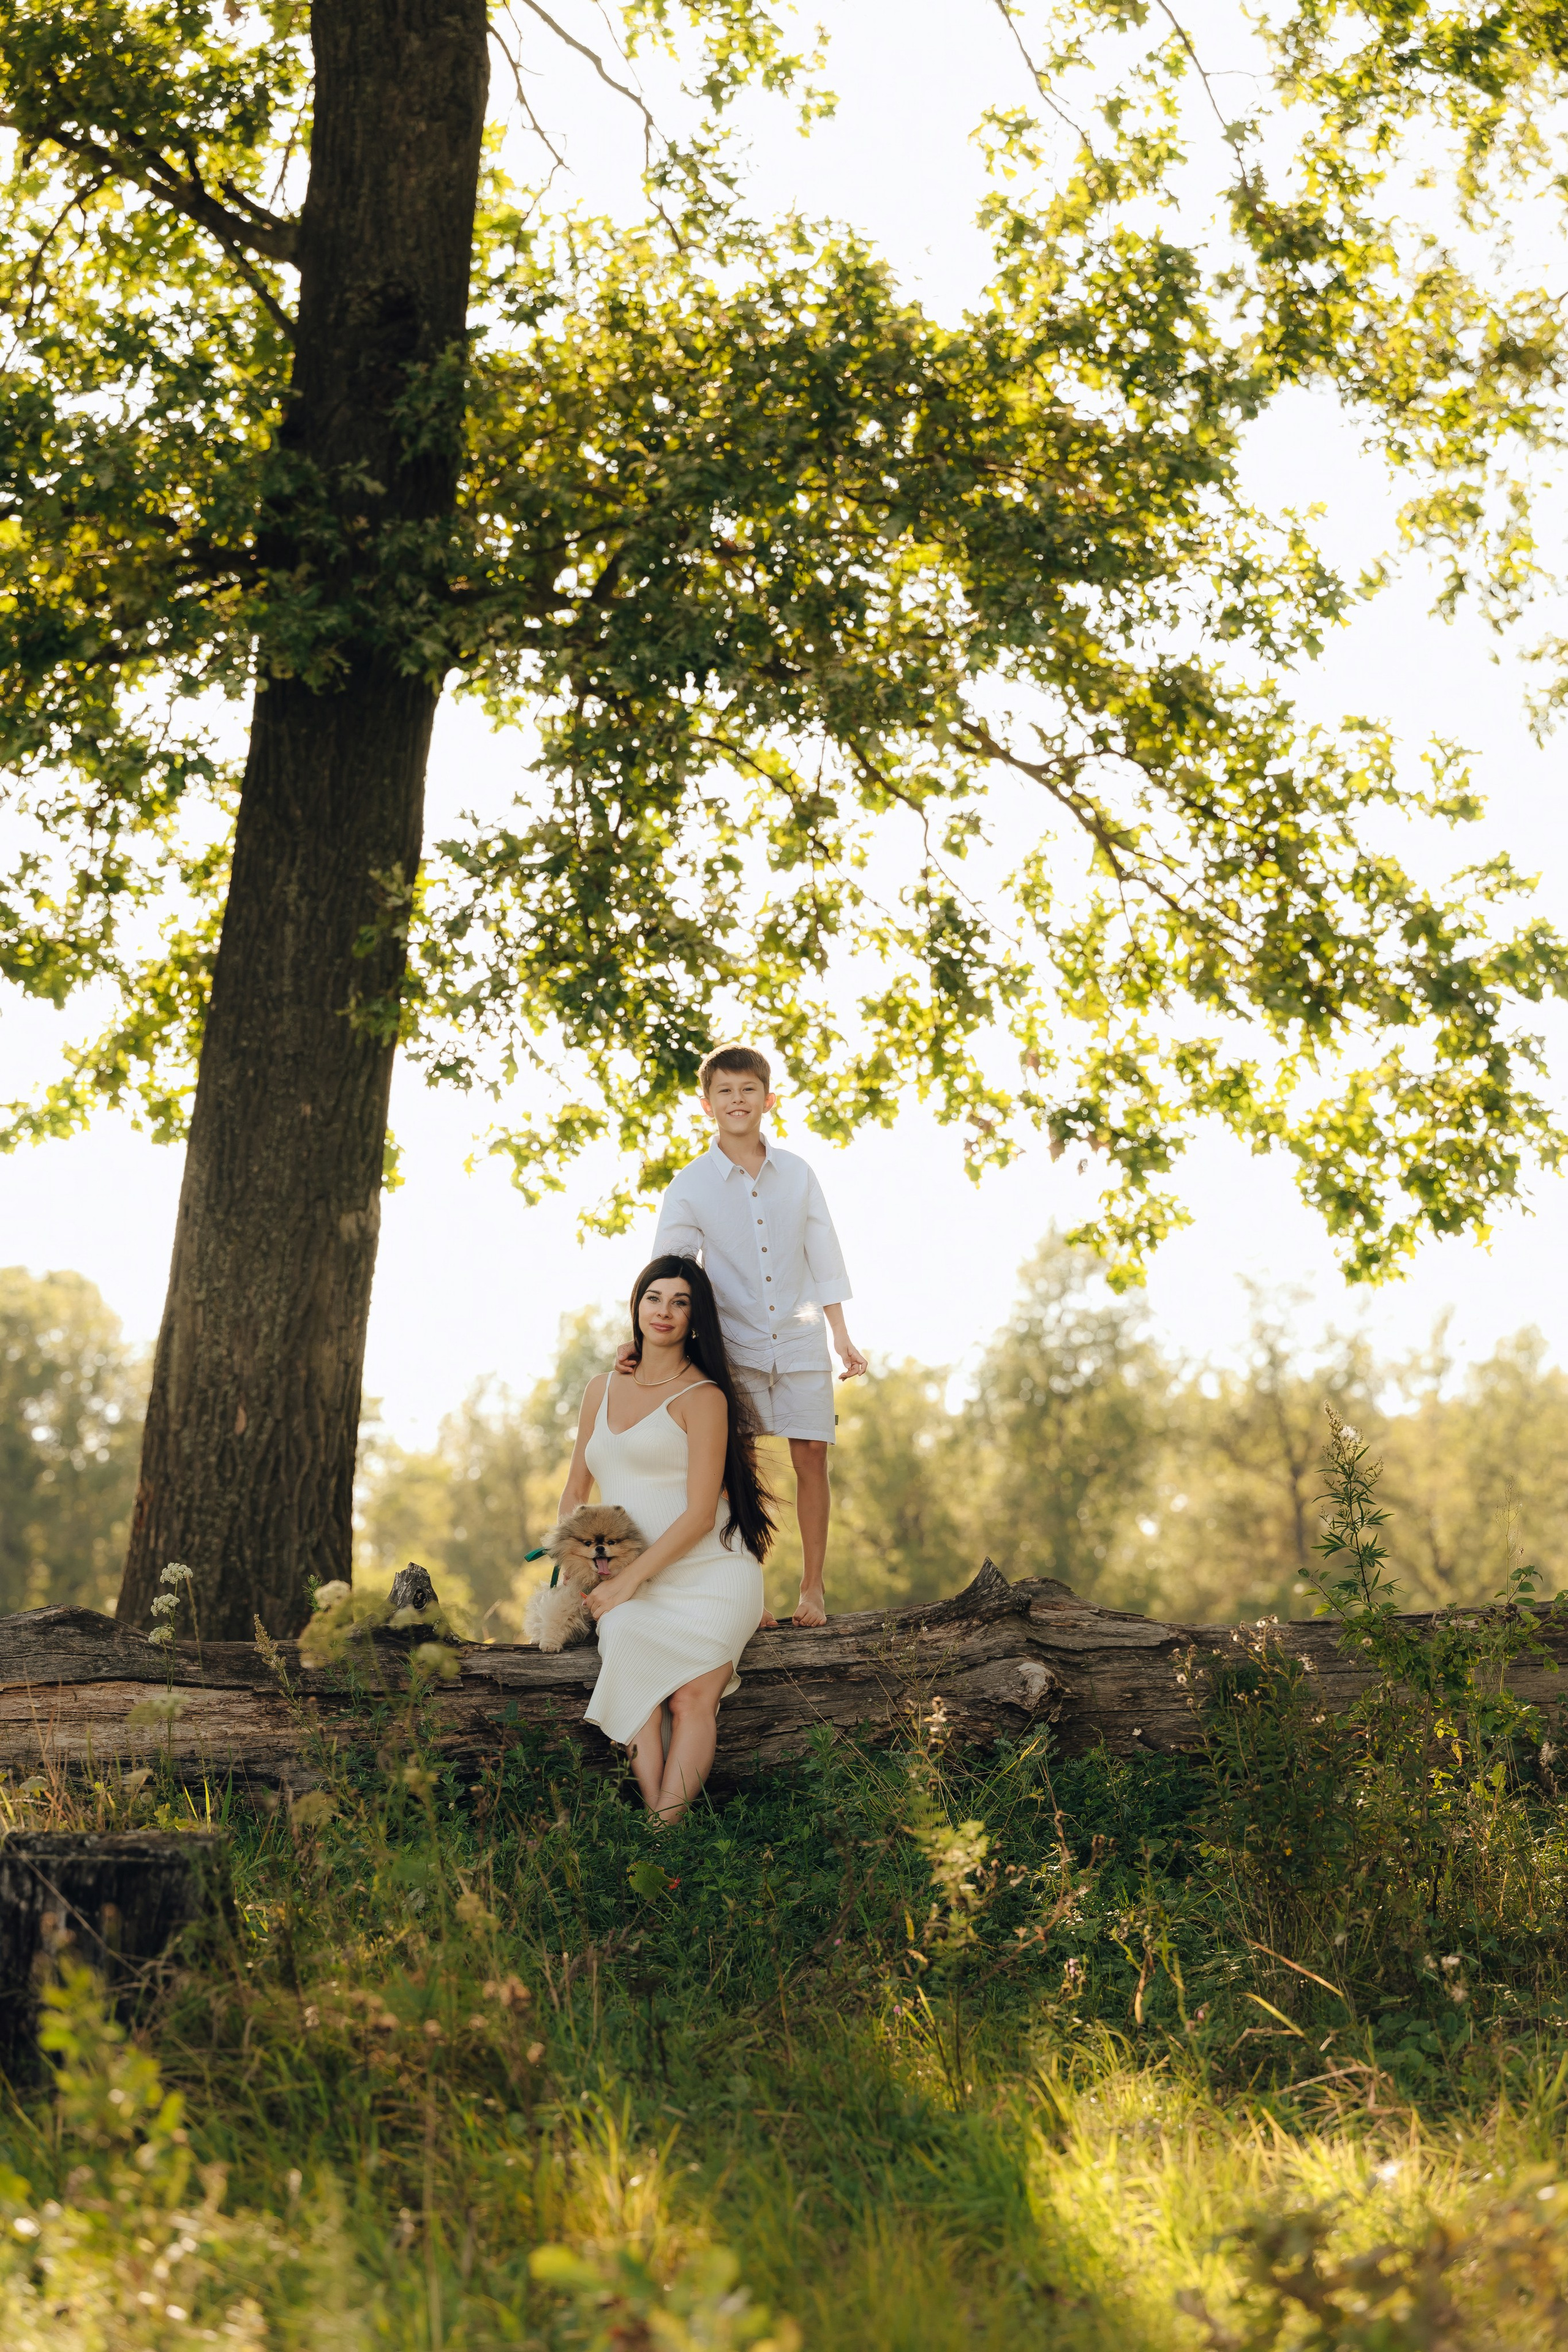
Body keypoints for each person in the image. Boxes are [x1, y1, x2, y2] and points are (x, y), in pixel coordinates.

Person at [624, 1044, 865, 1626]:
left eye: (748, 1090)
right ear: (706, 1105)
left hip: (802, 1337)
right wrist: (641, 1340)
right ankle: (747, 1594)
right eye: (725, 1092)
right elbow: (670, 1271)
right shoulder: (689, 1185)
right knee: (738, 1468)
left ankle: (812, 1589)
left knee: (811, 1457)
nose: (737, 1100)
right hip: (733, 1344)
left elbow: (824, 1253)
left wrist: (842, 1337)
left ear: (768, 1099)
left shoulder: (799, 1174)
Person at [563, 1254, 775, 1825]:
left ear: (695, 1318)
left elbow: (702, 1515)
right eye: (655, 1298)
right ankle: (665, 1824)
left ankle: (662, 1832)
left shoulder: (704, 1397)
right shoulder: (600, 1388)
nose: (665, 1311)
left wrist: (628, 1581)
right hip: (630, 1577)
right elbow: (576, 1492)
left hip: (712, 1573)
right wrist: (578, 1575)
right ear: (637, 1306)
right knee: (628, 1655)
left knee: (689, 1700)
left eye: (680, 1302)